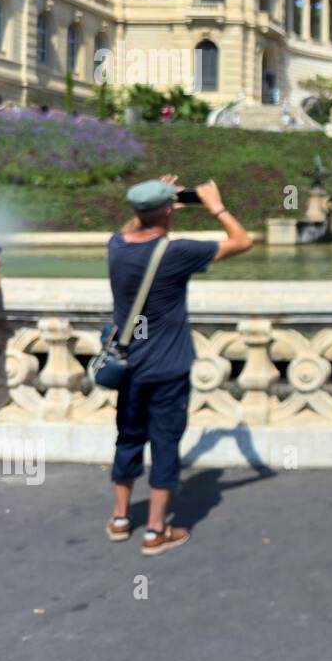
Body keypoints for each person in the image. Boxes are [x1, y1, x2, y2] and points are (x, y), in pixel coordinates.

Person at [106, 176, 252, 554]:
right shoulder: (177, 253)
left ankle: (121, 519)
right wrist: (214, 206)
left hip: (128, 366)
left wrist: (154, 205)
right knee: (166, 444)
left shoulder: (116, 247)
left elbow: (130, 228)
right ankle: (156, 532)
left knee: (129, 438)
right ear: (169, 211)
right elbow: (243, 241)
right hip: (168, 368)